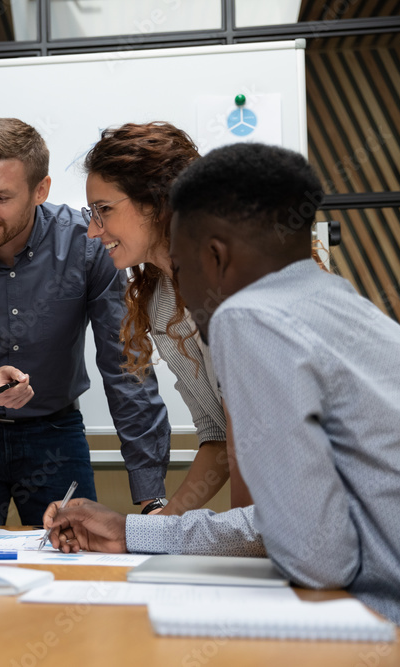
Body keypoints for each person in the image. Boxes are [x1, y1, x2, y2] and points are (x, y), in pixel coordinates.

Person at [43, 142, 400, 634]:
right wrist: (149, 531)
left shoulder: (249, 317)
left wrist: (135, 530)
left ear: (214, 255)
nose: (172, 278)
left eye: (179, 260)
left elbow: (314, 555)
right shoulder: (331, 298)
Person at [0, 117, 171, 526]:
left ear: (40, 190)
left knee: (72, 564)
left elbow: (125, 366)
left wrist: (152, 494)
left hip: (56, 436)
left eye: (0, 197)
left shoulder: (89, 246)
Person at [82, 122, 240, 515]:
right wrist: (161, 524)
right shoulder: (162, 300)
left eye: (103, 211)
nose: (91, 230)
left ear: (155, 201)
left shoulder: (234, 283)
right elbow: (220, 435)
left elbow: (253, 441)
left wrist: (246, 541)